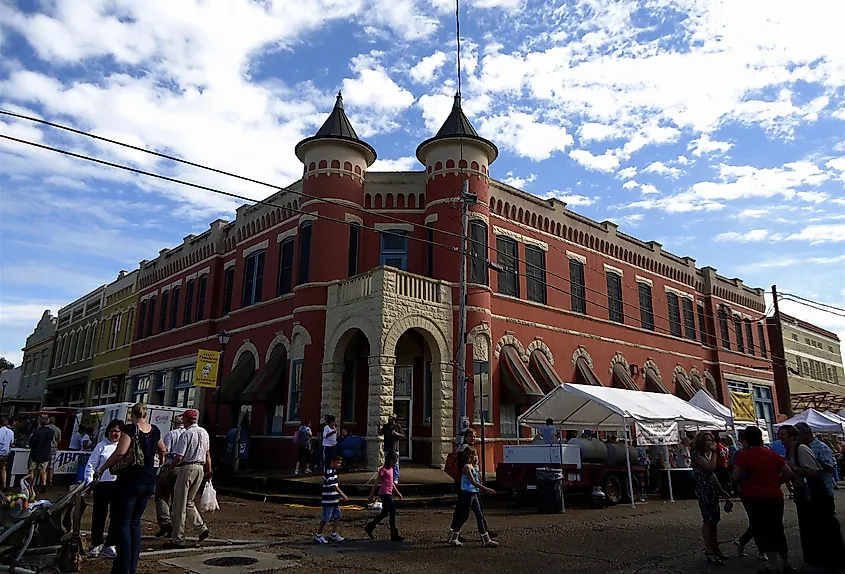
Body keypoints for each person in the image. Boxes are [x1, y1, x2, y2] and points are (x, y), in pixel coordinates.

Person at [96, 404, 166, 574]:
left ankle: (124, 565)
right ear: (146, 414)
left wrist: (102, 468)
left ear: (131, 414)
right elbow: (163, 449)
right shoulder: (155, 429)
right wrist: (160, 460)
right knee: (136, 522)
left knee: (123, 522)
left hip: (130, 480)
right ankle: (133, 564)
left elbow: (121, 452)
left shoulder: (130, 429)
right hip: (148, 480)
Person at [781, 424, 845, 571]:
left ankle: (834, 560)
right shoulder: (792, 449)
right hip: (804, 492)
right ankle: (816, 560)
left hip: (819, 492)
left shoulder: (815, 448)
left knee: (826, 527)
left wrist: (805, 465)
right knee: (810, 528)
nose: (781, 438)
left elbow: (826, 468)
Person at [731, 426, 795, 573]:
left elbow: (735, 476)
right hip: (774, 496)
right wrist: (777, 480)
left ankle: (773, 564)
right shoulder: (772, 454)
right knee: (777, 529)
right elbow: (789, 473)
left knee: (763, 530)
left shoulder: (743, 456)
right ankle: (786, 563)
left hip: (754, 496)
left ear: (746, 439)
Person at [167, 409, 212, 549]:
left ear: (186, 420)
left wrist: (169, 469)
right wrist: (209, 470)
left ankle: (178, 539)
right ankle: (201, 528)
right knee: (189, 502)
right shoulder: (204, 432)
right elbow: (207, 453)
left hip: (187, 468)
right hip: (200, 468)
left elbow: (179, 456)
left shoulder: (186, 434)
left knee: (179, 505)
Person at [85, 419, 124, 559]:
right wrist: (90, 482)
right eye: (112, 431)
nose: (114, 434)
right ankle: (96, 543)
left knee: (116, 516)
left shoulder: (123, 446)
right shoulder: (101, 446)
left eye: (117, 431)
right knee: (98, 515)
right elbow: (91, 464)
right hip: (102, 484)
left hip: (118, 485)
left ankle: (110, 545)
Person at [691, 431, 731, 564]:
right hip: (704, 491)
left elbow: (712, 474)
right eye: (708, 440)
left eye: (711, 440)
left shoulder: (705, 454)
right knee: (708, 521)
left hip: (711, 490)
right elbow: (710, 468)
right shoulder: (697, 454)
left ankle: (715, 548)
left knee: (714, 520)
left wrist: (722, 490)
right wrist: (714, 453)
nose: (711, 443)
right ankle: (710, 551)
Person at [448, 447, 498, 548]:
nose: (476, 457)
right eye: (474, 455)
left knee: (480, 516)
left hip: (474, 493)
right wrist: (486, 489)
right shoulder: (467, 467)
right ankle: (454, 537)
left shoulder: (472, 466)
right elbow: (473, 482)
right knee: (464, 516)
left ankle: (486, 539)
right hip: (468, 494)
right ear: (469, 456)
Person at [154, 415, 186, 538]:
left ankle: (165, 523)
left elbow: (165, 451)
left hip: (171, 466)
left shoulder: (171, 434)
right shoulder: (188, 433)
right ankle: (175, 525)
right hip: (184, 468)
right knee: (177, 498)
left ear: (174, 423)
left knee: (161, 495)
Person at [364, 452, 404, 542]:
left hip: (388, 493)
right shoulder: (384, 469)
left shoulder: (391, 469)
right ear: (389, 460)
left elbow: (391, 483)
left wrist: (397, 492)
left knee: (385, 513)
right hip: (384, 493)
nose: (394, 464)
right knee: (392, 511)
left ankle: (370, 527)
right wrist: (371, 494)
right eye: (394, 462)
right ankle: (394, 534)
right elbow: (376, 482)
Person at [314, 455, 348, 544]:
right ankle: (318, 535)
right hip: (328, 499)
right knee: (325, 518)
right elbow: (334, 486)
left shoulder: (334, 472)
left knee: (337, 516)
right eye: (338, 462)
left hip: (334, 500)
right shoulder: (329, 472)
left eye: (340, 463)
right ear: (332, 462)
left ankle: (333, 533)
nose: (339, 464)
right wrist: (343, 495)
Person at [27, 416, 53, 493]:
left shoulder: (37, 431)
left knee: (31, 470)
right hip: (45, 453)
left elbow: (32, 442)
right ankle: (44, 483)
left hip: (35, 453)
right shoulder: (51, 431)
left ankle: (31, 485)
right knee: (43, 470)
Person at [380, 415, 404, 484]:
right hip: (387, 448)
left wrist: (397, 434)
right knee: (387, 463)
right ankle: (387, 477)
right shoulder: (386, 426)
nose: (390, 420)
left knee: (395, 463)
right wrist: (378, 427)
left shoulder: (397, 426)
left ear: (394, 420)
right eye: (389, 419)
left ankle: (395, 478)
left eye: (391, 419)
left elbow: (403, 436)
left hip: (395, 448)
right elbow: (380, 433)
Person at [46, 416, 62, 488]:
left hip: (45, 449)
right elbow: (59, 440)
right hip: (53, 449)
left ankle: (43, 481)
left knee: (44, 466)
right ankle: (50, 480)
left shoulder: (46, 428)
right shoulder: (58, 430)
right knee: (51, 466)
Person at [0, 417, 14, 491]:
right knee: (3, 469)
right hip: (5, 454)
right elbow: (11, 443)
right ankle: (4, 485)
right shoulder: (11, 432)